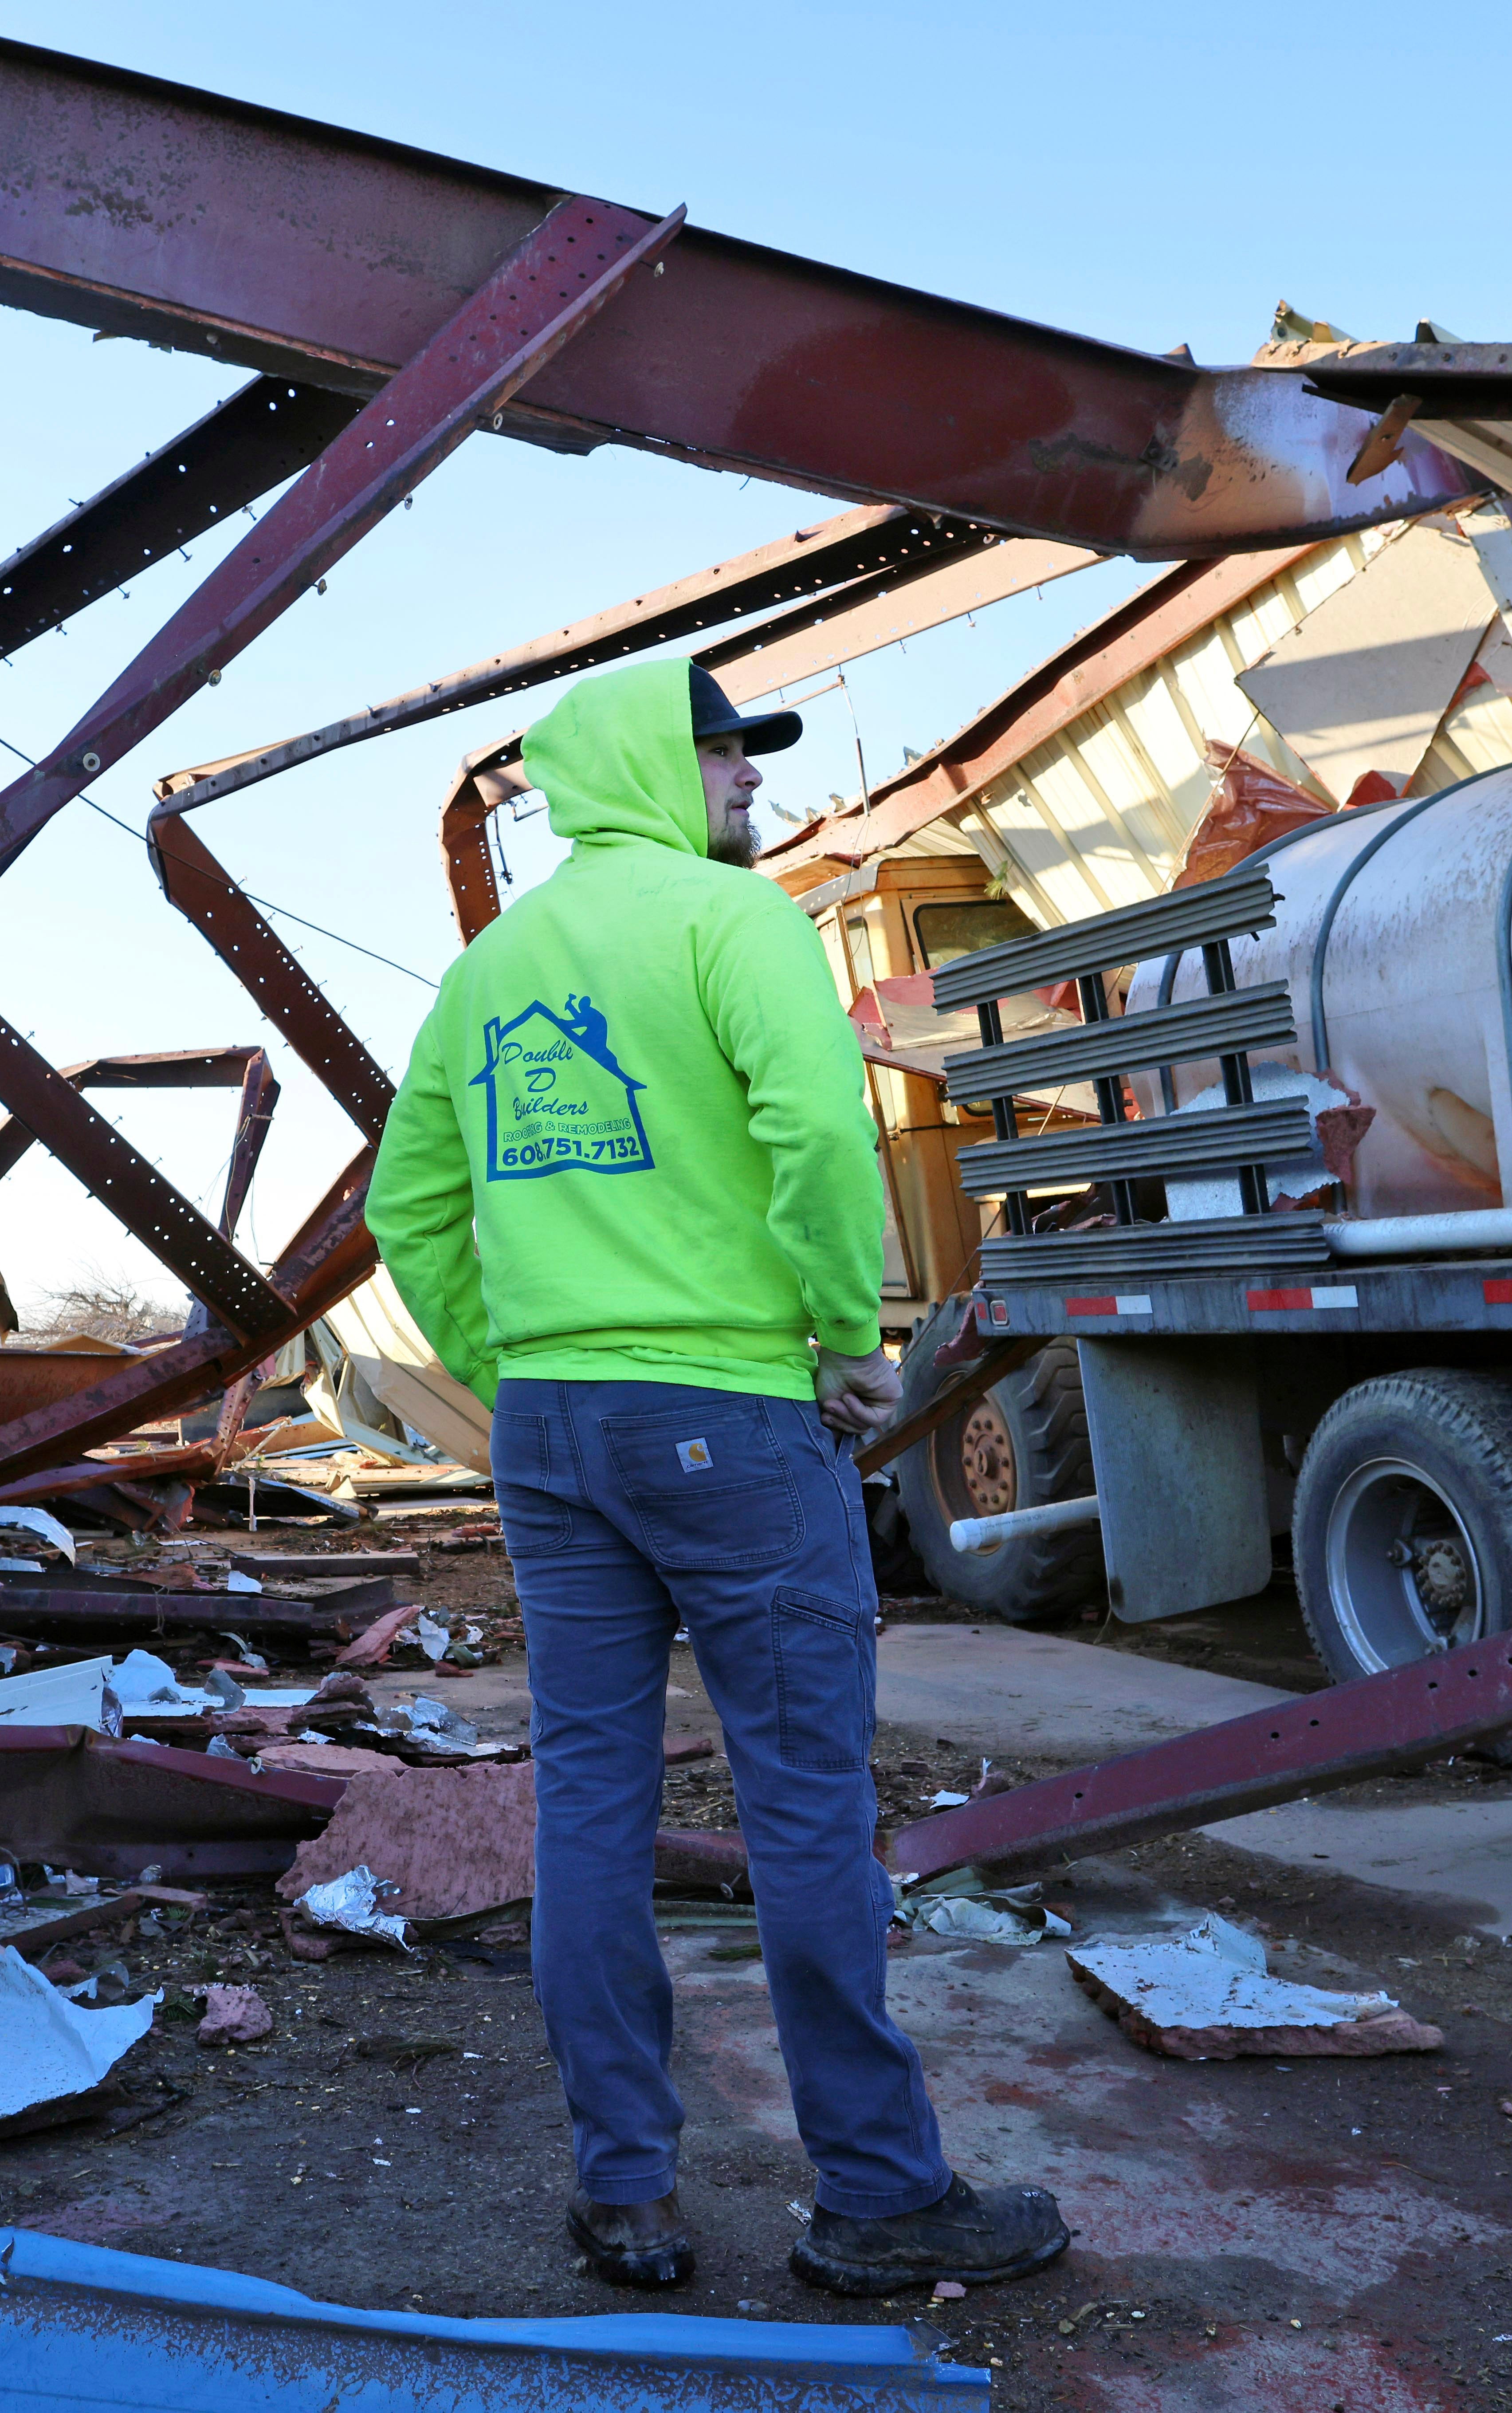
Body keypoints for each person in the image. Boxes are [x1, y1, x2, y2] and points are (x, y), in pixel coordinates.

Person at [365, 655, 1069, 2299]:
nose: (747, 780)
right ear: (642, 765)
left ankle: (627, 2194)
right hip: (731, 1417)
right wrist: (838, 1327)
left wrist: (511, 1362)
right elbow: (820, 1136)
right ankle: (881, 2199)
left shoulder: (488, 973)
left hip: (554, 1432)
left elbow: (409, 1211)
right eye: (723, 756)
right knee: (806, 1807)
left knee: (592, 1809)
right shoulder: (728, 921)